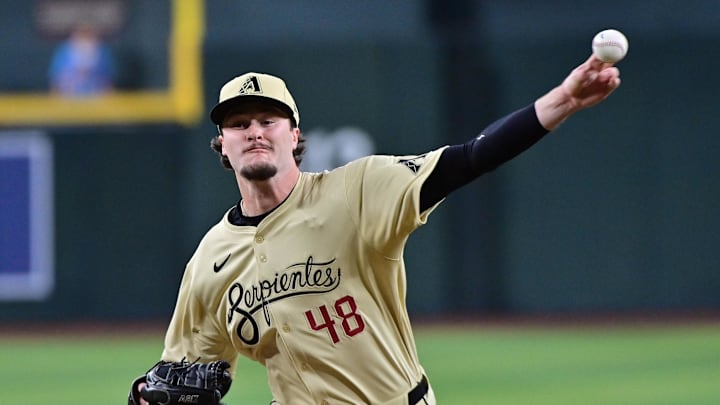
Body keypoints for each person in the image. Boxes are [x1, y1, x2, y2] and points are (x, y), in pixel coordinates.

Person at [129, 53, 620, 404]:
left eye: (268, 119)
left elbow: (469, 159)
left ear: (294, 134)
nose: (254, 131)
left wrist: (563, 100)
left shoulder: (357, 191)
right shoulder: (209, 261)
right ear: (222, 143)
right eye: (238, 123)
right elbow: (186, 373)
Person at [48, 25, 115, 97]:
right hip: (68, 96)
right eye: (81, 35)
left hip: (96, 96)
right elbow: (56, 79)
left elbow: (108, 80)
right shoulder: (64, 50)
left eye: (88, 35)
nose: (84, 39)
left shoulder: (102, 52)